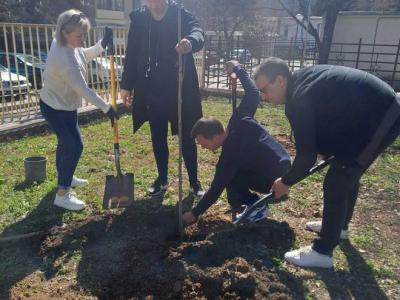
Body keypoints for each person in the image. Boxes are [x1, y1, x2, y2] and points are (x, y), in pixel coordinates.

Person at [254, 57, 400, 268]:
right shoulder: (300, 83)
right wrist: (327, 148)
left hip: (382, 115)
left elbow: (306, 158)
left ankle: (322, 252)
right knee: (345, 170)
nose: (264, 97)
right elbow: (327, 115)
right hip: (370, 113)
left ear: (280, 80)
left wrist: (285, 181)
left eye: (264, 90)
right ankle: (339, 228)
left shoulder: (297, 98)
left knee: (340, 177)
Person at [182, 60, 291, 225]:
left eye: (202, 143)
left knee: (230, 178)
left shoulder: (230, 154)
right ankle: (241, 206)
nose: (202, 147)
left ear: (215, 137)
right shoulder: (238, 118)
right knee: (232, 176)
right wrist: (238, 70)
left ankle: (255, 207)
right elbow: (253, 93)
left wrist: (194, 213)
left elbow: (215, 189)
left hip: (277, 180)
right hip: (283, 162)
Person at [120, 0, 205, 196]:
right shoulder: (140, 19)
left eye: (158, 1)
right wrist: (126, 85)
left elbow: (198, 31)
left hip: (180, 88)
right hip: (152, 89)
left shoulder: (180, 14)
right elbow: (132, 53)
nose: (155, 5)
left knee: (187, 136)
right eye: (150, 1)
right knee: (157, 135)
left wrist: (190, 41)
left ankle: (194, 181)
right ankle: (162, 179)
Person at [40, 9, 118, 211]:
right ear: (65, 32)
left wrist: (101, 45)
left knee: (66, 144)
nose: (83, 39)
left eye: (84, 34)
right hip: (55, 108)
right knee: (74, 145)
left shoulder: (66, 44)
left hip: (64, 105)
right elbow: (83, 89)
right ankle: (62, 194)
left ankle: (65, 176)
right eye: (79, 36)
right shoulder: (64, 58)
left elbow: (83, 54)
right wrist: (107, 108)